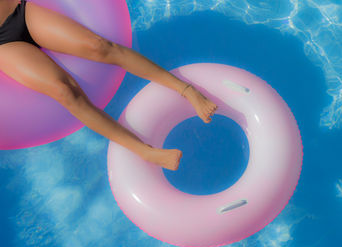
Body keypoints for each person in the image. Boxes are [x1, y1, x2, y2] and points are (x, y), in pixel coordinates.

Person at [0, 0, 218, 171]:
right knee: (63, 91)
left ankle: (187, 90)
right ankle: (145, 152)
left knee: (99, 46)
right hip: (4, 44)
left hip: (18, 11)